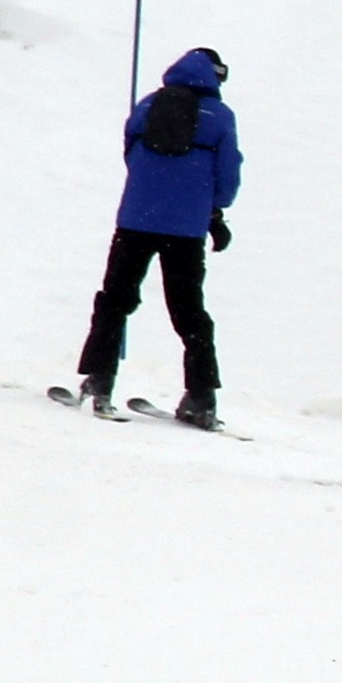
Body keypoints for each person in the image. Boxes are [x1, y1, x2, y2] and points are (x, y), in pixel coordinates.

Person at [78, 47, 237, 425]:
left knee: (115, 299)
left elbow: (131, 154)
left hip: (135, 219)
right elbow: (228, 176)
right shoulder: (220, 116)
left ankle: (99, 378)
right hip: (186, 228)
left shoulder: (148, 105)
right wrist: (211, 209)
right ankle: (201, 396)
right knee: (189, 311)